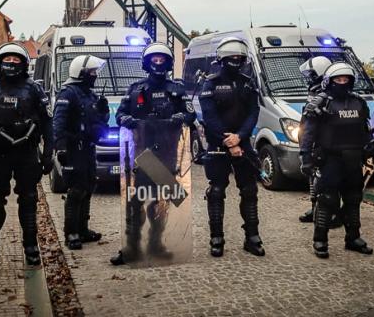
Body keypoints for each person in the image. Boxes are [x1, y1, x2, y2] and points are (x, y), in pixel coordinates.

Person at [0, 42, 54, 267]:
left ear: (24, 64)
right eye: (7, 59)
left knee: (28, 201)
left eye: (16, 60)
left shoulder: (34, 89)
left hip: (27, 154)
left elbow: (47, 123)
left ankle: (31, 247)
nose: (12, 63)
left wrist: (48, 154)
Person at [110, 42, 195, 265]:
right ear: (147, 63)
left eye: (162, 60)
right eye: (154, 60)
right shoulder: (136, 89)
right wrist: (125, 120)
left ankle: (156, 244)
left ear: (168, 63)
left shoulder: (176, 89)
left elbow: (190, 115)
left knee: (161, 202)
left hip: (167, 153)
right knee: (135, 202)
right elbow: (120, 114)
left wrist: (182, 117)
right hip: (142, 153)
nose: (158, 63)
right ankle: (131, 248)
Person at [300, 62, 374, 258]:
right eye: (338, 79)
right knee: (326, 200)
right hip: (330, 159)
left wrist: (370, 144)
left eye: (345, 79)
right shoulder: (320, 103)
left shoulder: (358, 102)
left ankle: (353, 238)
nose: (342, 82)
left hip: (354, 159)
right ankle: (320, 240)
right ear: (329, 81)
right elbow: (307, 132)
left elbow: (365, 128)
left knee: (353, 199)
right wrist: (305, 157)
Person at [199, 38, 265, 257]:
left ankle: (252, 237)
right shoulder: (211, 83)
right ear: (222, 59)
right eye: (232, 58)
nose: (236, 61)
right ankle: (216, 238)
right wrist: (227, 140)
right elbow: (209, 115)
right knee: (216, 191)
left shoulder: (248, 82)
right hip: (218, 142)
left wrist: (240, 137)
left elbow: (253, 112)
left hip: (242, 141)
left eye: (239, 58)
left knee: (249, 190)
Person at [52, 54, 109, 250]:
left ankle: (83, 230)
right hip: (73, 149)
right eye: (92, 72)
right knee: (75, 191)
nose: (95, 75)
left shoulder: (91, 95)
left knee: (87, 188)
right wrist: (60, 147)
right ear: (81, 73)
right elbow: (58, 123)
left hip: (88, 149)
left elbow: (99, 123)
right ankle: (71, 233)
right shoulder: (68, 93)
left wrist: (104, 110)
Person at [298, 56, 342, 228]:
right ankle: (314, 207)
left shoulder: (328, 93)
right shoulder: (314, 90)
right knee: (313, 178)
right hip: (311, 139)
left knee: (327, 180)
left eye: (310, 74)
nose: (308, 77)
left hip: (324, 142)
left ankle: (333, 212)